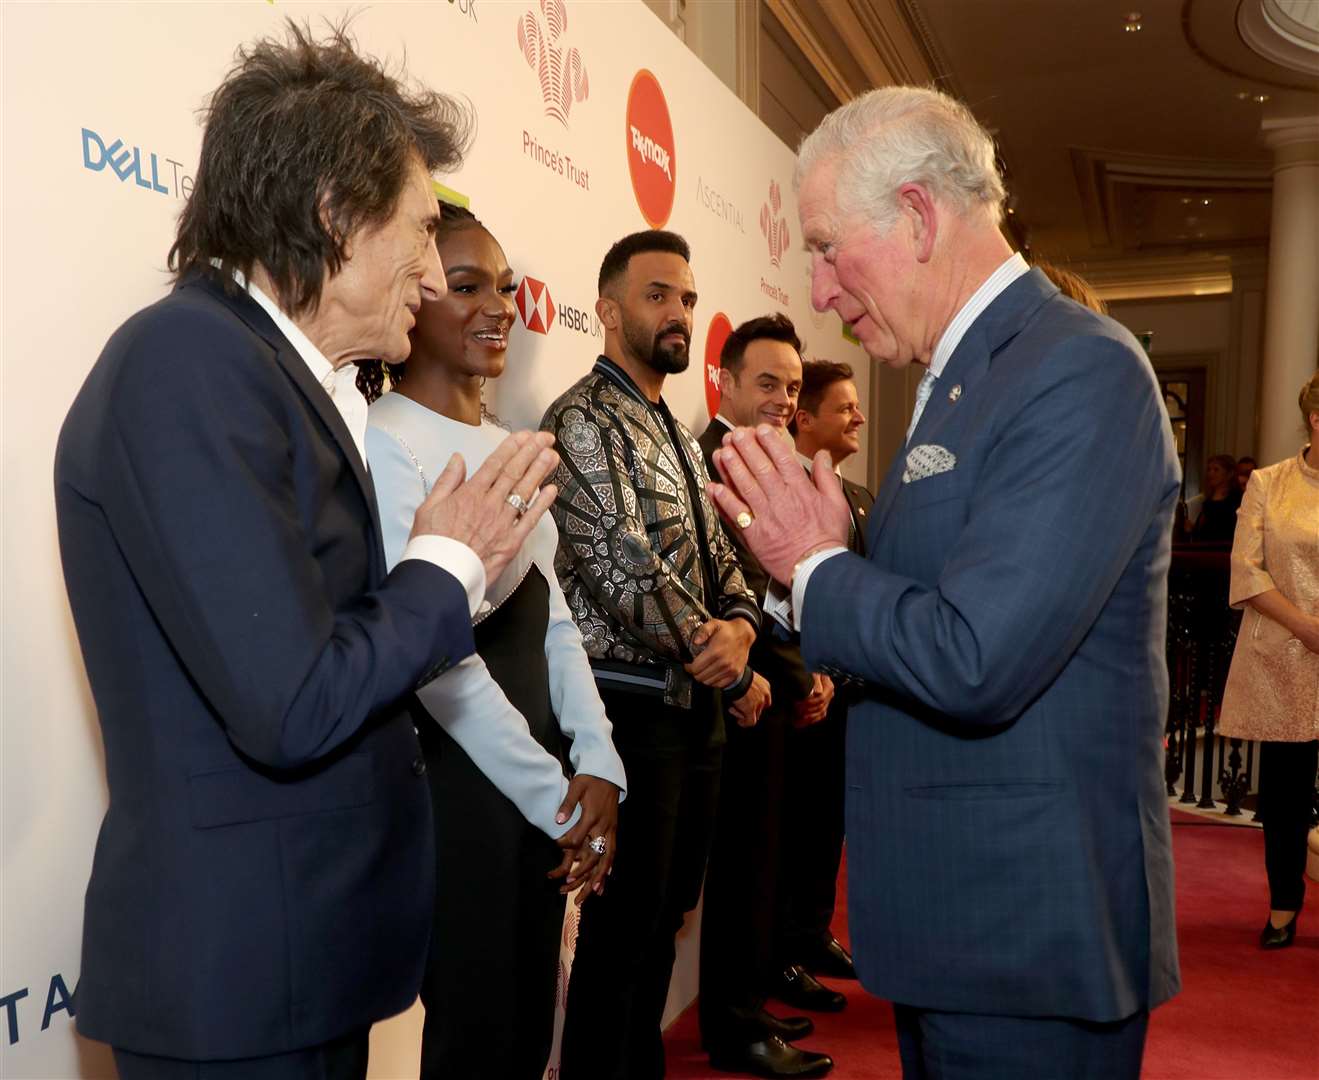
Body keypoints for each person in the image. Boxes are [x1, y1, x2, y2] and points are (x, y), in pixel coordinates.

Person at [53, 23, 559, 1078]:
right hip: (241, 983)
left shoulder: (268, 375)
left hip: (294, 961)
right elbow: (290, 702)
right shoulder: (190, 364)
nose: (431, 278)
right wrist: (443, 568)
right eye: (420, 236)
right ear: (333, 215)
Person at [706, 85, 1180, 1080]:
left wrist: (815, 566)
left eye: (829, 248)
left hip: (1025, 938)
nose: (822, 291)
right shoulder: (967, 376)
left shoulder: (1079, 371)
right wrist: (831, 562)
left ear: (917, 217)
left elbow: (975, 656)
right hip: (961, 926)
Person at [361, 203, 627, 1077]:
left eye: (505, 287)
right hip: (457, 784)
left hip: (542, 777)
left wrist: (598, 762)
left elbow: (553, 620)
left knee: (525, 1026)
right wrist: (554, 795)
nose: (497, 306)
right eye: (466, 286)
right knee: (474, 1029)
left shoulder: (515, 443)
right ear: (416, 297)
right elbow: (438, 661)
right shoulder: (385, 444)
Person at [541, 230, 768, 1080]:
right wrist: (733, 665)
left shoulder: (668, 425)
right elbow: (618, 568)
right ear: (606, 310)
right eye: (656, 295)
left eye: (686, 298)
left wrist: (741, 630)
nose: (678, 313)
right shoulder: (580, 418)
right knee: (623, 928)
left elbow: (723, 556)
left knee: (665, 915)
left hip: (691, 711)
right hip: (627, 713)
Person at [696, 314, 834, 1078]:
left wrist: (813, 667)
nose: (783, 399)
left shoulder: (770, 459)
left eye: (791, 385)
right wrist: (789, 672)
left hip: (775, 687)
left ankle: (748, 1003)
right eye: (767, 384)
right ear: (725, 382)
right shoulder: (716, 462)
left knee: (766, 858)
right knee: (743, 865)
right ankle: (736, 1026)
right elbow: (734, 594)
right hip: (733, 696)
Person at [779, 360, 875, 991]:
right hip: (794, 694)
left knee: (827, 829)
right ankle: (781, 950)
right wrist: (807, 677)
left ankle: (813, 935)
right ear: (804, 418)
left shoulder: (861, 499)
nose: (859, 417)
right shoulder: (781, 496)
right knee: (790, 832)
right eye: (844, 408)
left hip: (852, 696)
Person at [1218, 372, 1319, 951]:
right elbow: (1246, 571)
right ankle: (1283, 906)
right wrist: (1305, 625)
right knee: (1284, 795)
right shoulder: (1267, 484)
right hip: (1283, 659)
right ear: (1316, 420)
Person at [1186, 453, 1241, 543]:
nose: (1210, 473)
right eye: (1209, 469)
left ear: (1230, 474)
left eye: (1216, 470)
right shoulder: (1208, 501)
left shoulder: (1235, 500)